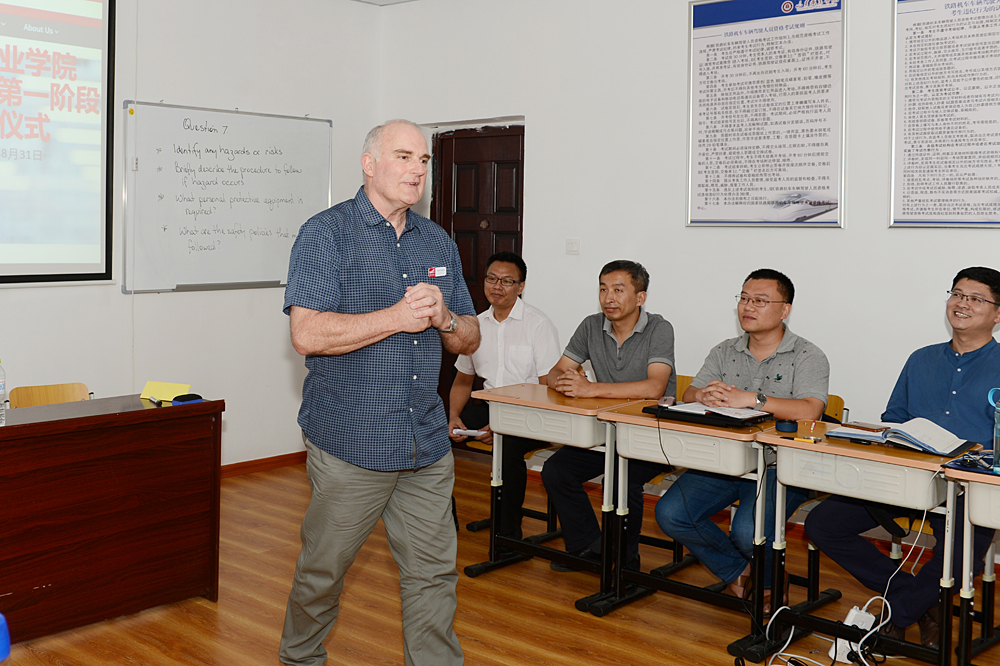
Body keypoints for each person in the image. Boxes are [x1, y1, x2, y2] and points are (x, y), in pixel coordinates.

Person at [279, 119, 480, 666]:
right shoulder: (325, 234)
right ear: (369, 165)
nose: (417, 170)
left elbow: (470, 337)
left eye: (424, 160)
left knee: (433, 574)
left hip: (425, 442)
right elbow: (307, 334)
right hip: (352, 442)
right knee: (323, 572)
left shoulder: (436, 240)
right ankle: (300, 658)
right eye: (403, 157)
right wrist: (395, 317)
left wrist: (444, 317)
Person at [805, 266, 1000, 649]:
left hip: (970, 487)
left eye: (976, 299)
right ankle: (917, 602)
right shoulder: (921, 359)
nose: (962, 303)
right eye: (957, 294)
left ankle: (900, 613)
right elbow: (893, 418)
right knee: (822, 524)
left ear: (997, 313)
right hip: (908, 476)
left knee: (960, 556)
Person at [655, 269, 827, 609]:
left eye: (760, 301)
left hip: (780, 466)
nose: (748, 307)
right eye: (744, 298)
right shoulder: (724, 350)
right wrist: (703, 395)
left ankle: (766, 582)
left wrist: (753, 399)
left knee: (748, 532)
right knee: (671, 513)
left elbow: (811, 410)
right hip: (725, 459)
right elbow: (689, 393)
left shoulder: (808, 355)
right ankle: (742, 574)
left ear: (784, 309)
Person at [541, 260, 675, 571]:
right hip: (607, 432)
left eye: (618, 290)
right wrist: (566, 381)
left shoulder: (659, 328)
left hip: (653, 436)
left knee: (621, 477)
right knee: (556, 471)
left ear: (640, 297)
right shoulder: (591, 325)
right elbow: (555, 372)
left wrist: (590, 389)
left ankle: (625, 561)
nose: (608, 298)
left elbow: (654, 387)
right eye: (603, 289)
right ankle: (588, 548)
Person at [448, 251, 561, 540]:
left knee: (507, 448)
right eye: (492, 279)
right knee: (434, 435)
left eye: (507, 281)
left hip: (533, 412)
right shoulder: (475, 325)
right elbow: (463, 381)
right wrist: (453, 416)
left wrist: (501, 426)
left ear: (521, 286)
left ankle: (508, 537)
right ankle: (444, 518)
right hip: (489, 407)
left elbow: (548, 389)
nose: (497, 286)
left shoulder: (538, 324)